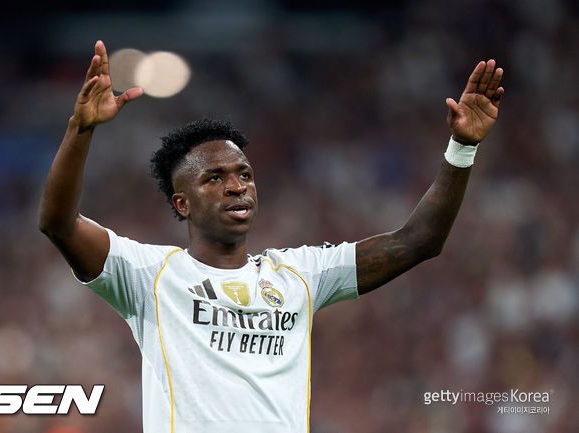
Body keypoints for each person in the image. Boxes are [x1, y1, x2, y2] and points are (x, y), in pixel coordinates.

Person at [38, 40, 504, 433]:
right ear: (182, 204)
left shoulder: (299, 275)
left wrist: (462, 147)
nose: (236, 186)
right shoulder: (149, 276)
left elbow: (419, 240)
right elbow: (58, 224)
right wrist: (81, 128)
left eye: (244, 174)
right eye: (214, 178)